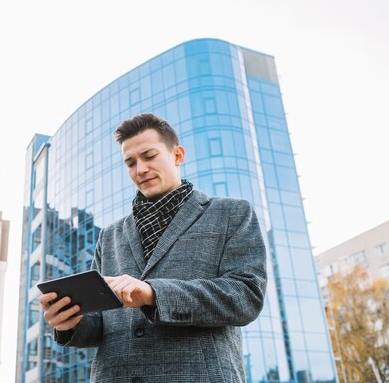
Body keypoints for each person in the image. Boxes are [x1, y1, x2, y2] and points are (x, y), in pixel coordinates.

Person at [40, 113, 267, 383]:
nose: (140, 169)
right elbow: (101, 322)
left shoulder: (231, 213)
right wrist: (71, 322)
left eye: (149, 156)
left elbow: (245, 297)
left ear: (178, 156)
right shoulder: (110, 235)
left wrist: (154, 294)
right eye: (130, 163)